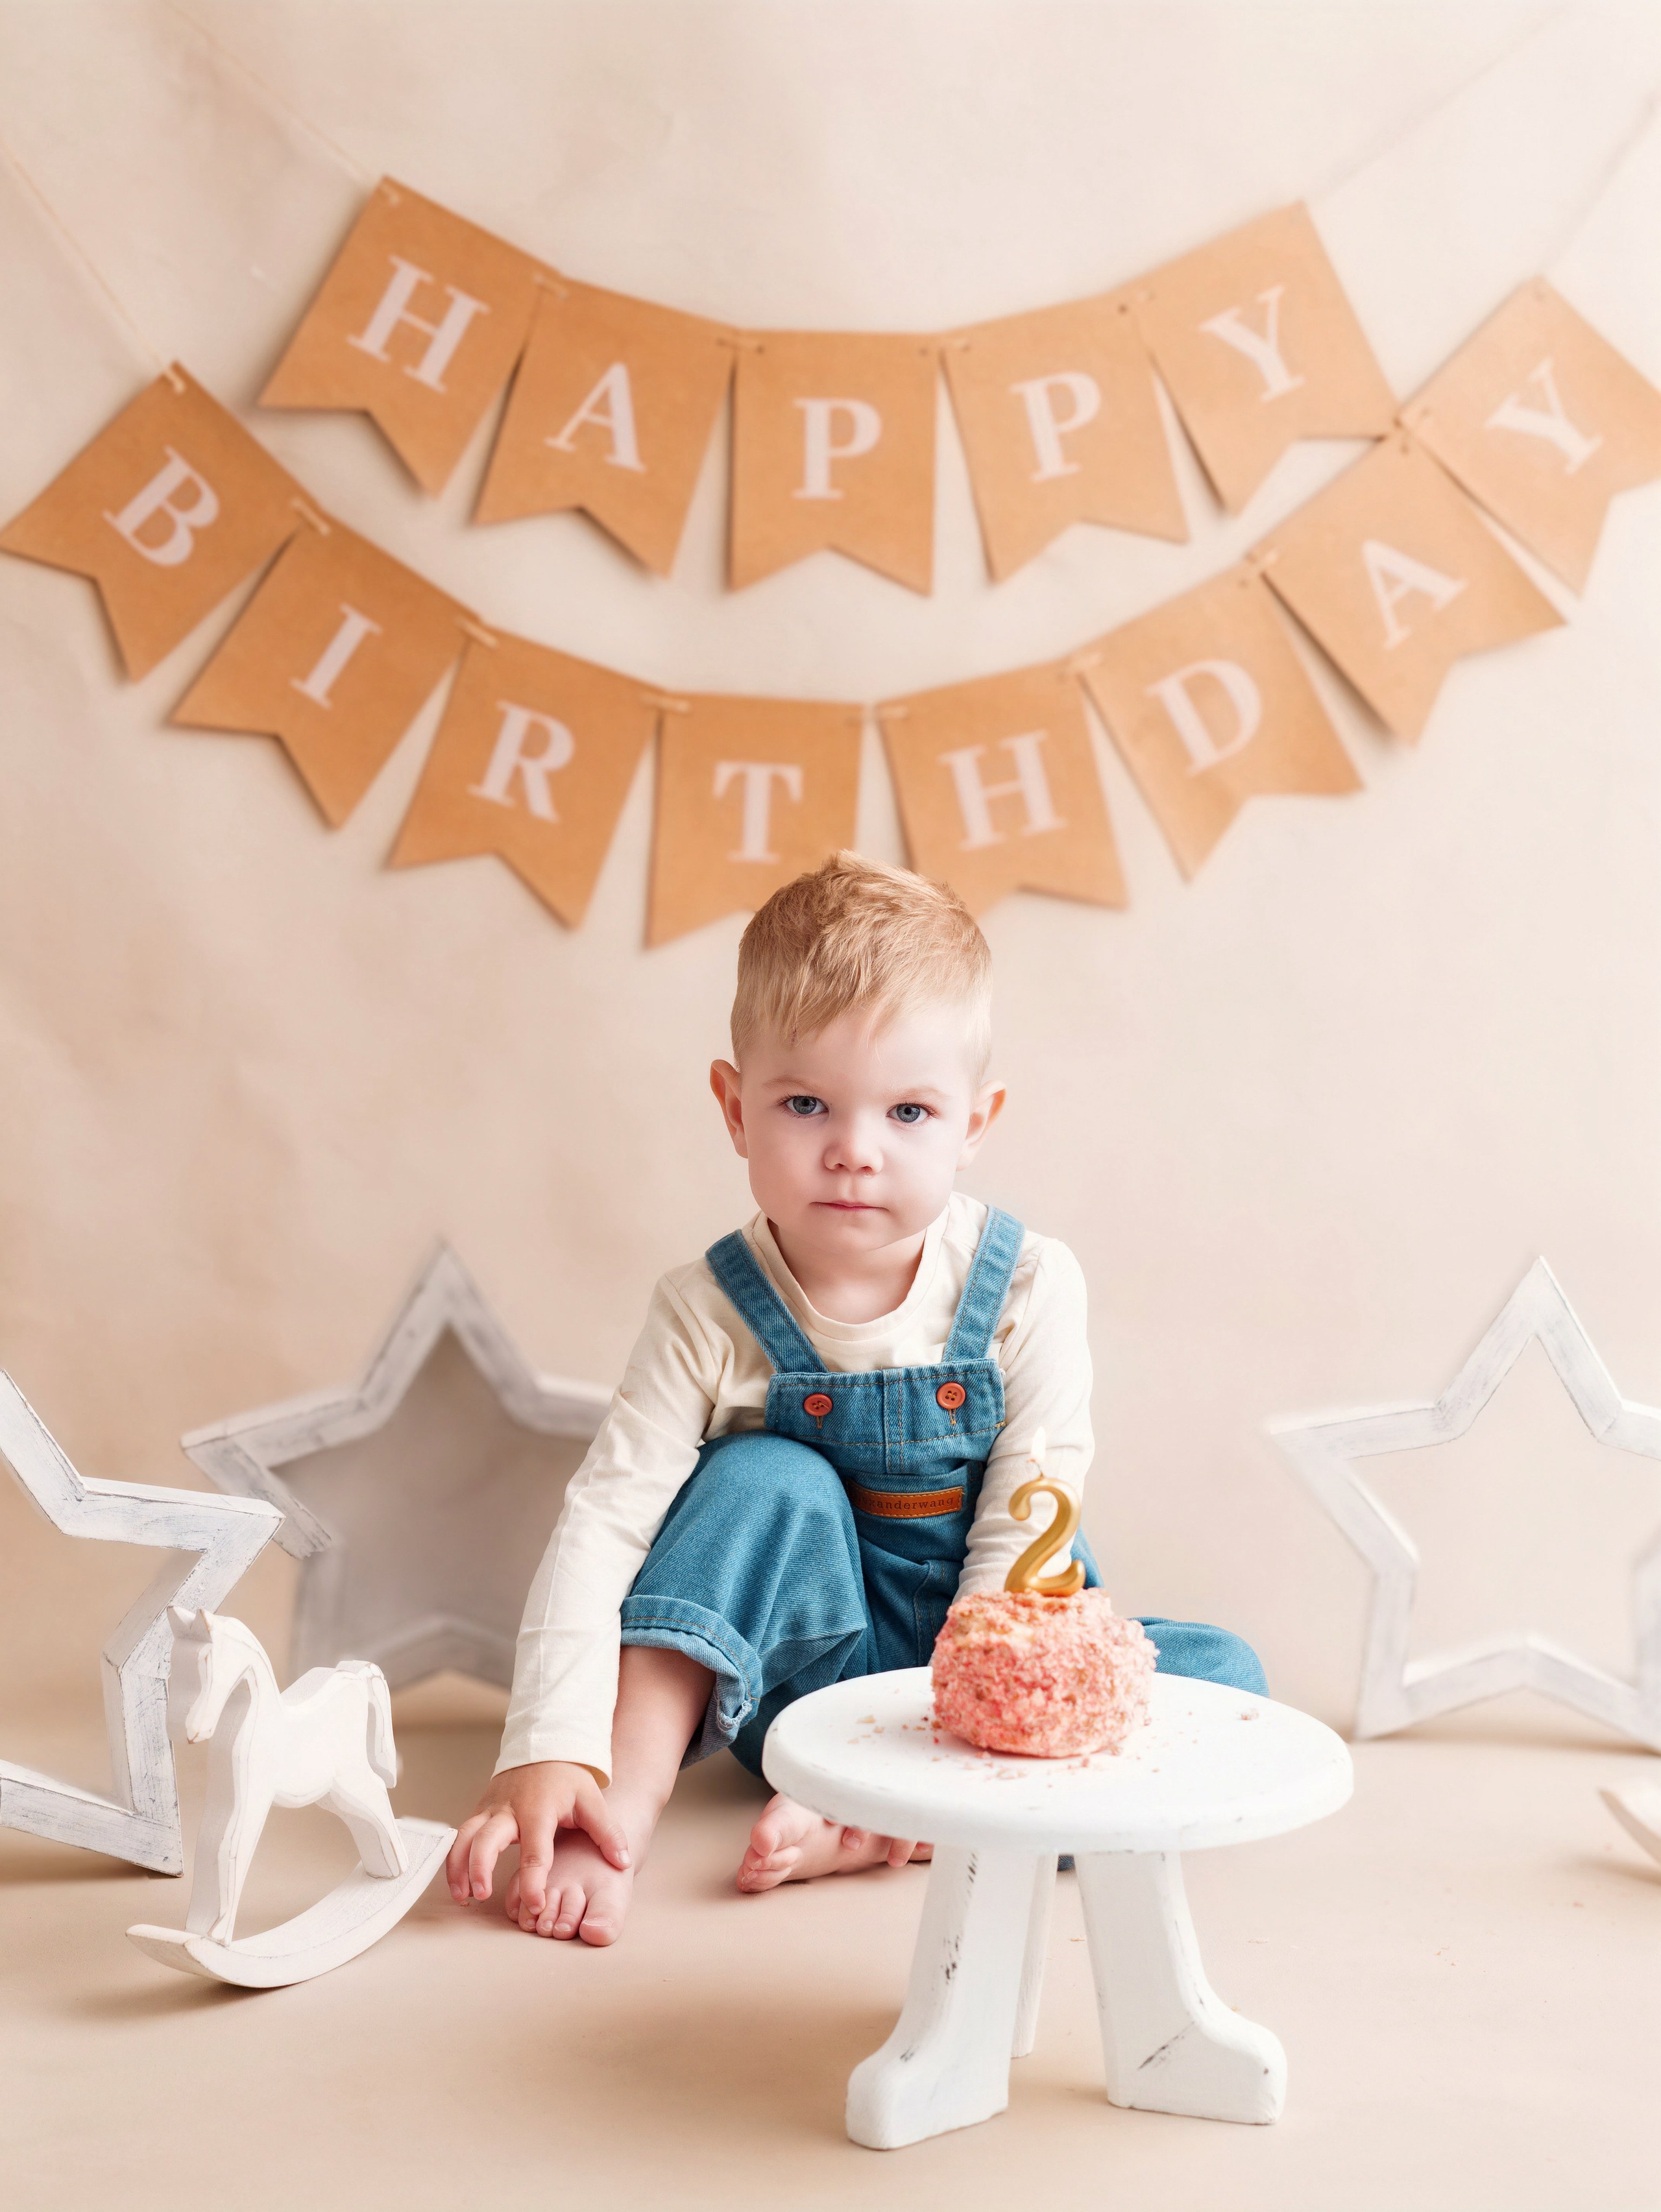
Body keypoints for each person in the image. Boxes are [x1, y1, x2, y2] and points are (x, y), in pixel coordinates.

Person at [446, 852, 1264, 1946]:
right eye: (805, 1102)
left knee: (1228, 1686)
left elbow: (1032, 1505)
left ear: (977, 1120)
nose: (854, 1150)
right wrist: (547, 1739)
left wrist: (970, 1703)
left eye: (911, 1111)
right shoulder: (706, 1309)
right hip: (799, 1685)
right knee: (758, 1478)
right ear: (736, 1108)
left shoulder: (1026, 1284)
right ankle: (617, 1814)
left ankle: (893, 1820)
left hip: (994, 1669)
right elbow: (604, 1522)